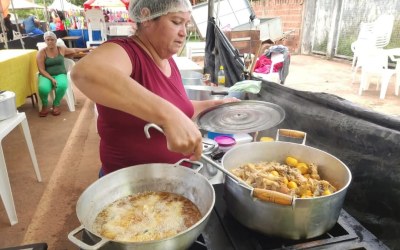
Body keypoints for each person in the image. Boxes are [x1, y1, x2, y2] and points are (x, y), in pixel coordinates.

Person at [71, 0, 239, 176]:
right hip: (130, 187)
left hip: (175, 178)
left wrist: (213, 106)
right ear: (146, 18)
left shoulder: (168, 61)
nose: (184, 32)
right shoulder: (126, 51)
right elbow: (85, 73)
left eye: (186, 24)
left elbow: (178, 107)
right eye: (176, 22)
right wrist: (169, 116)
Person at [36, 31, 92, 117]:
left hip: (60, 74)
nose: (50, 41)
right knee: (43, 88)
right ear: (45, 41)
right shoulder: (41, 53)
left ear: (55, 40)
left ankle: (56, 104)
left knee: (62, 85)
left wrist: (88, 49)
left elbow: (74, 50)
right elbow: (41, 69)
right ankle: (45, 105)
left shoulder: (61, 49)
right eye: (48, 40)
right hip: (46, 75)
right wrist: (51, 79)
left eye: (52, 39)